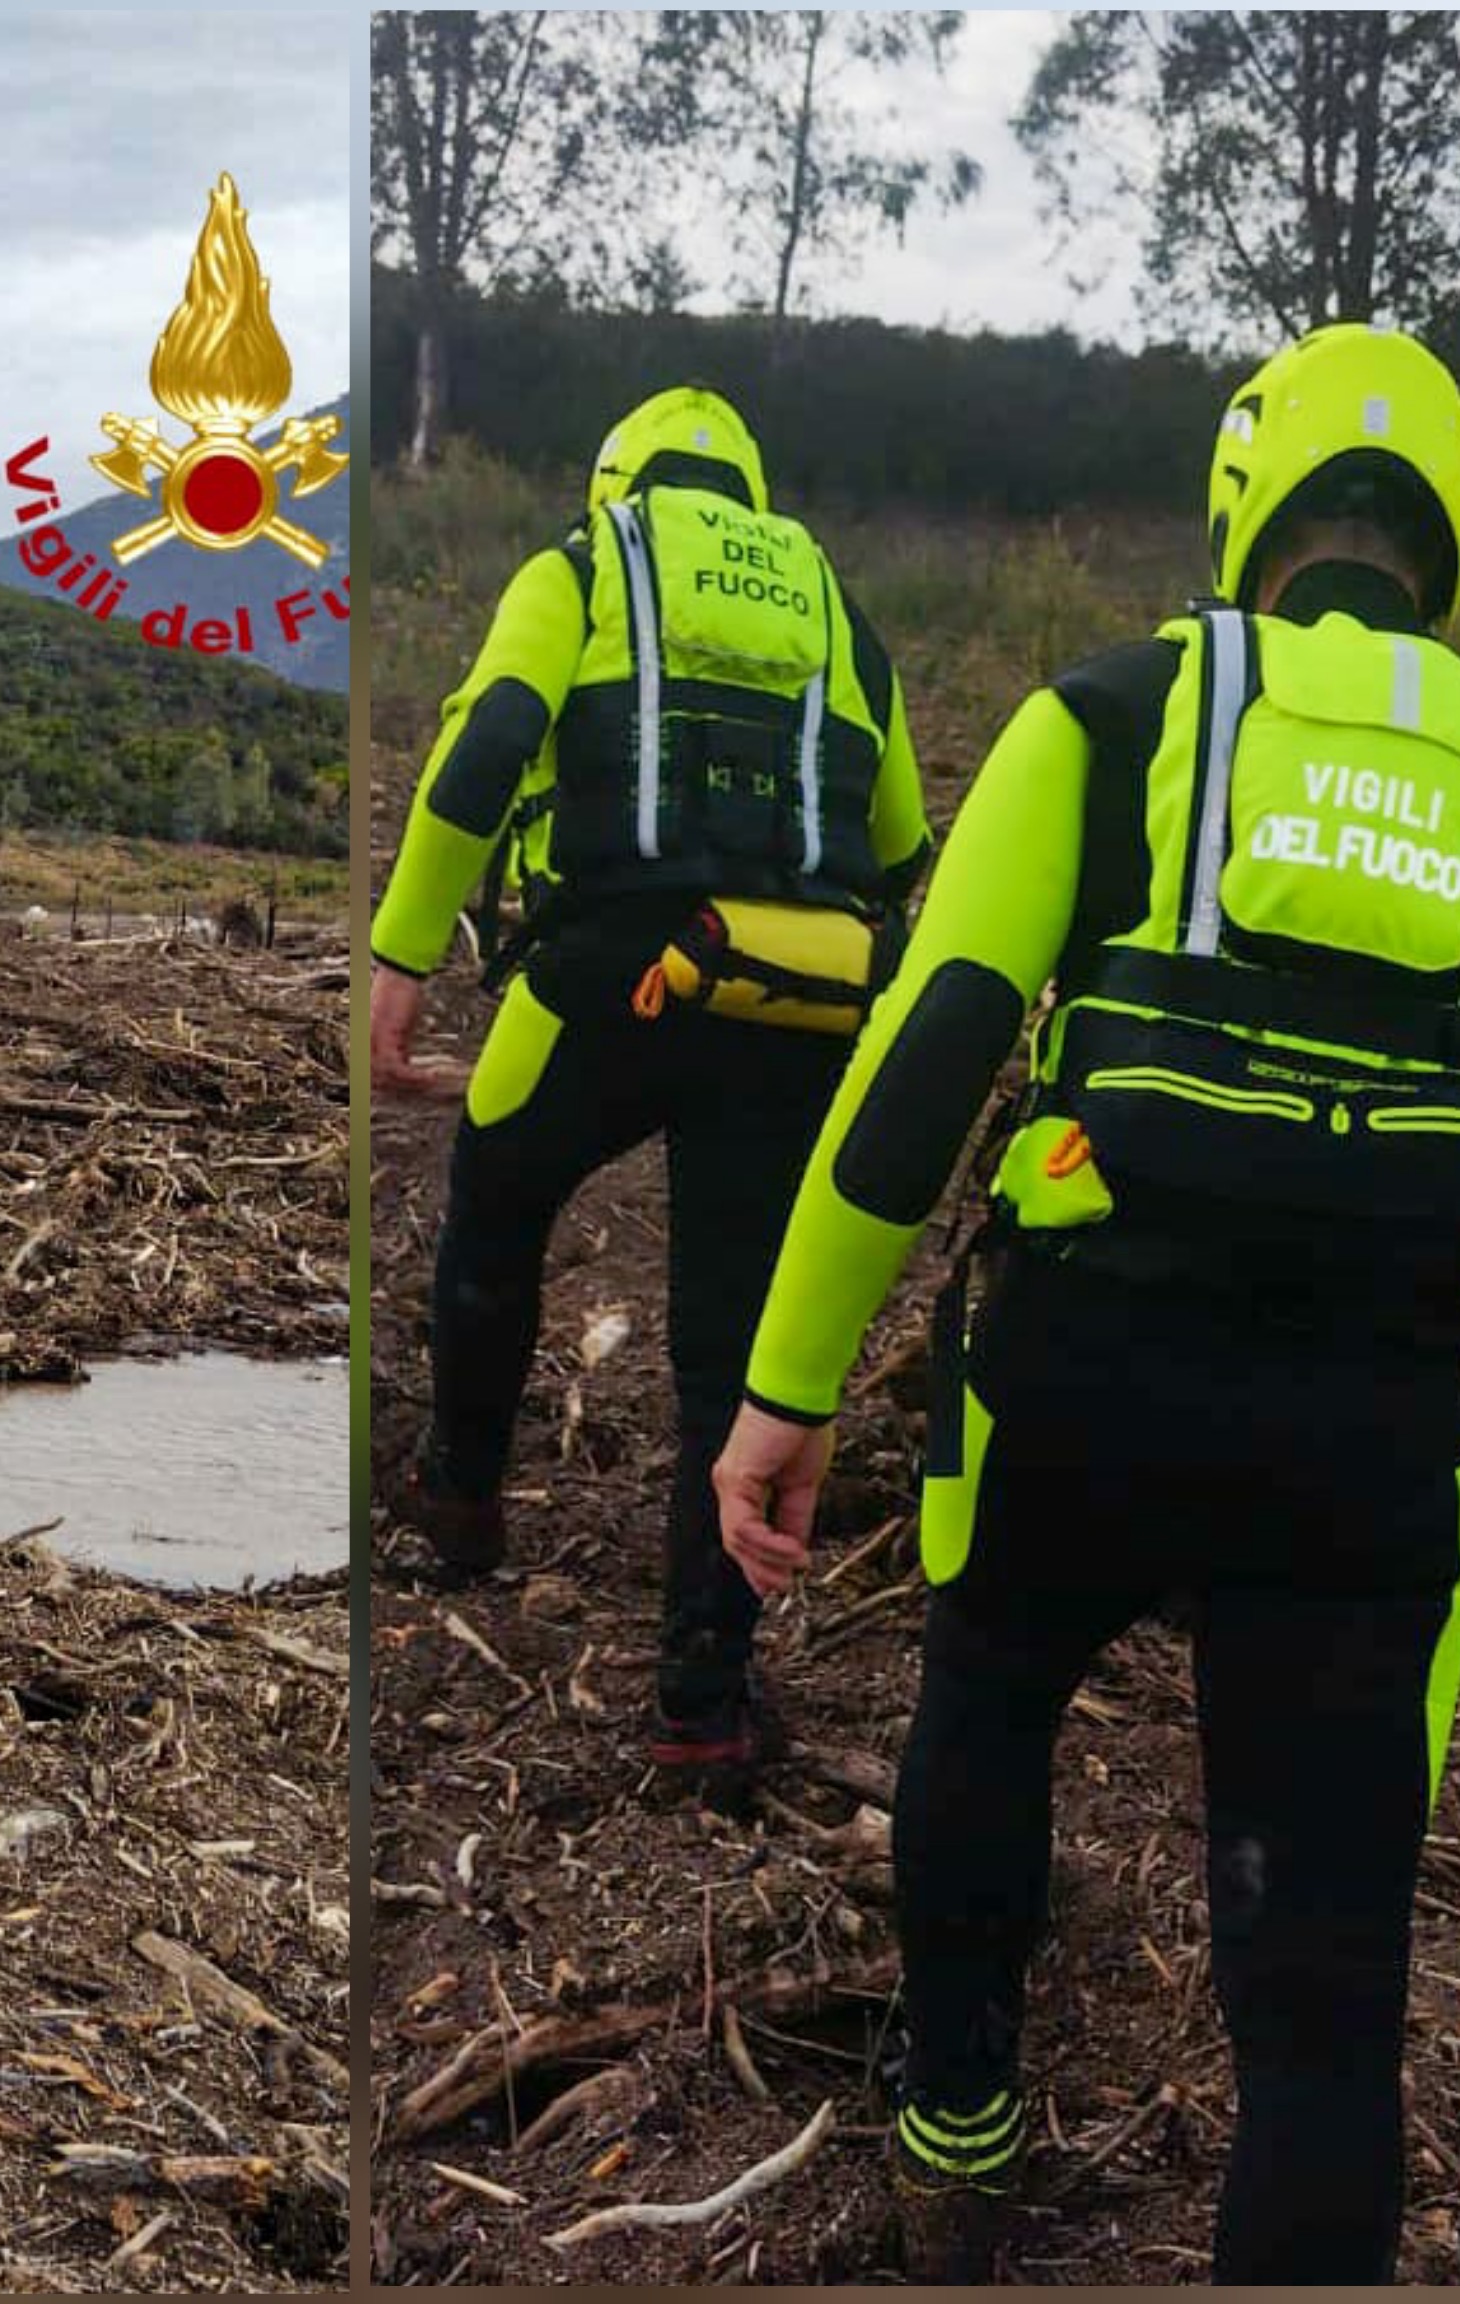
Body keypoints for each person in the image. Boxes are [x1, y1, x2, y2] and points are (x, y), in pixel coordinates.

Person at [709, 324, 1460, 2281]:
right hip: (1367, 1456)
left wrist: (787, 1383)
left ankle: (956, 2114)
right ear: (1454, 534)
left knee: (984, 1700)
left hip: (1075, 1387)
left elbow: (922, 1069)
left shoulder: (1103, 712)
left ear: (1238, 504)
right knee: (1322, 2004)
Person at [366, 383, 931, 1799]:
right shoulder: (833, 604)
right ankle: (702, 1706)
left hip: (609, 976)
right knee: (732, 1343)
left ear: (618, 478)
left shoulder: (584, 565)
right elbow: (903, 838)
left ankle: (462, 1500)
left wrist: (401, 958)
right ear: (749, 493)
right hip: (795, 991)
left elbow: (487, 748)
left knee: (496, 1193)